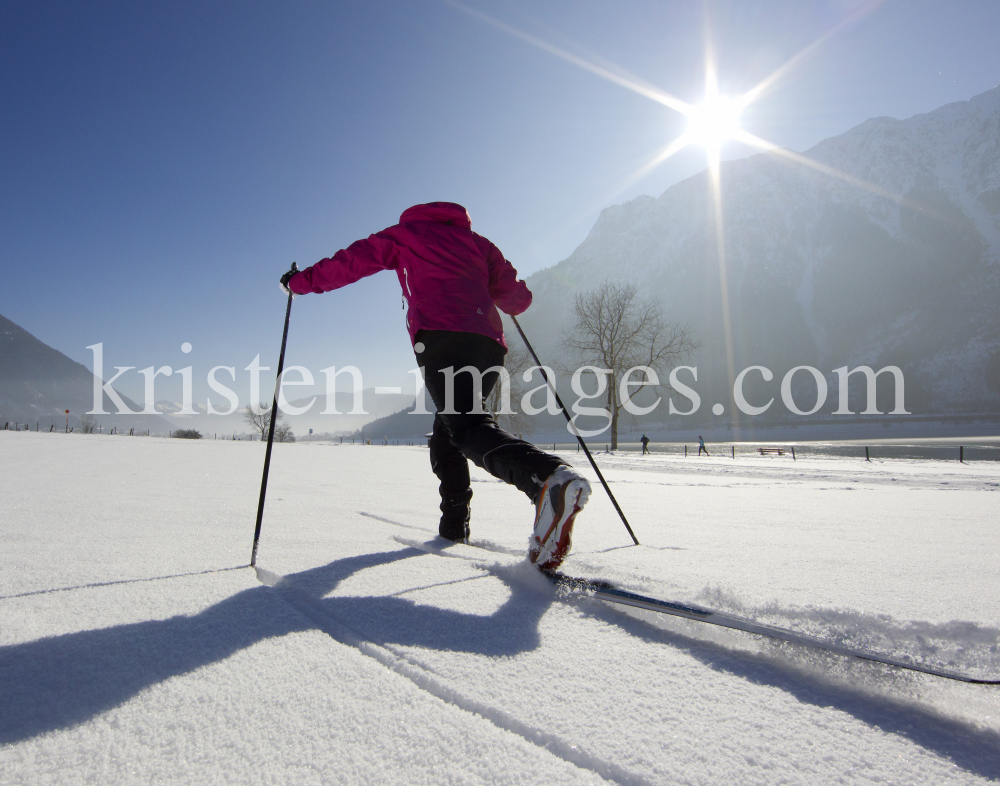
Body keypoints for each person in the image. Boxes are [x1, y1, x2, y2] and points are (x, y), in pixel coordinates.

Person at [279, 202, 590, 570]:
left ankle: (547, 479)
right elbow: (518, 301)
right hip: (489, 346)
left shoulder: (406, 234)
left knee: (467, 427)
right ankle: (454, 529)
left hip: (442, 339)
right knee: (448, 434)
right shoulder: (479, 243)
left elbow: (350, 262)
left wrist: (298, 282)